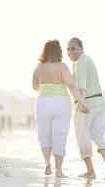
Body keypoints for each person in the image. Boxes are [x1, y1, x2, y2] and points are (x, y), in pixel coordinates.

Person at [32, 39, 89, 177]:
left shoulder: (38, 67)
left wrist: (46, 86)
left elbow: (34, 87)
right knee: (59, 135)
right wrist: (82, 102)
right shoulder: (62, 67)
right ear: (59, 52)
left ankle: (47, 163)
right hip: (61, 103)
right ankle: (58, 170)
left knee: (44, 134)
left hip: (42, 103)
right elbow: (72, 86)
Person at [67, 37, 105, 180]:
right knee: (99, 136)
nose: (70, 52)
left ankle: (90, 171)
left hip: (86, 103)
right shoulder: (89, 59)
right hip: (100, 102)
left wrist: (82, 104)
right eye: (68, 49)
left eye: (73, 48)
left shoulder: (80, 63)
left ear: (81, 48)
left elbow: (81, 87)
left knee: (83, 138)